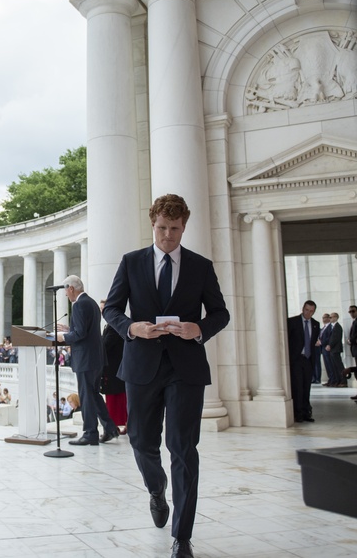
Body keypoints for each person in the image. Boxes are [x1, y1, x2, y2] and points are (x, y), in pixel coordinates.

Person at [103, 194, 230, 558]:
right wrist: (132, 328)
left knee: (183, 448)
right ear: (152, 223)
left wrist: (198, 329)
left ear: (184, 226)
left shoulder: (200, 266)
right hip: (141, 365)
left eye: (175, 229)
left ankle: (182, 537)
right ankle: (157, 490)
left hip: (185, 368)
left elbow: (220, 313)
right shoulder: (131, 263)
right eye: (162, 228)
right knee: (142, 441)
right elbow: (111, 308)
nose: (168, 236)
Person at [56, 275, 119, 445]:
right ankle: (110, 428)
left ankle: (90, 432)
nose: (65, 295)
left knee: (86, 396)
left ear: (71, 288)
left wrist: (63, 337)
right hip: (95, 357)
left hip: (86, 358)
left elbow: (80, 334)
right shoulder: (90, 302)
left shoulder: (79, 305)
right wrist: (71, 329)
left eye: (65, 291)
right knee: (92, 394)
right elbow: (87, 330)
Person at [287, 300, 320, 423]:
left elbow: (313, 342)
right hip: (296, 359)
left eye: (311, 311)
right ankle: (298, 413)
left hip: (308, 360)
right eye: (307, 310)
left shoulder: (316, 324)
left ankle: (307, 412)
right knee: (298, 386)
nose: (308, 313)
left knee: (307, 387)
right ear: (303, 309)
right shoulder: (292, 322)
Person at [99, 299, 128, 429]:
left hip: (114, 369)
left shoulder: (114, 327)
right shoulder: (110, 326)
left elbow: (105, 345)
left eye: (103, 309)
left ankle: (117, 426)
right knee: (114, 398)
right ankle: (115, 426)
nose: (101, 312)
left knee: (117, 399)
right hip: (112, 368)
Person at [323, 312, 346, 387]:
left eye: (331, 317)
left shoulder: (338, 327)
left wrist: (330, 345)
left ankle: (343, 380)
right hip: (333, 350)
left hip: (336, 349)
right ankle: (338, 380)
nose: (330, 319)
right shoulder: (333, 327)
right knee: (334, 366)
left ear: (336, 317)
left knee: (339, 365)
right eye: (329, 317)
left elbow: (335, 338)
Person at [314, 313, 331, 383]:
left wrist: (320, 342)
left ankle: (318, 378)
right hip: (320, 348)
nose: (324, 319)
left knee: (328, 365)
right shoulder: (323, 328)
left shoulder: (329, 327)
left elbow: (329, 337)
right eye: (323, 318)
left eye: (325, 318)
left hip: (325, 348)